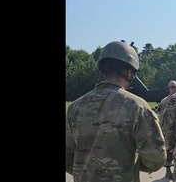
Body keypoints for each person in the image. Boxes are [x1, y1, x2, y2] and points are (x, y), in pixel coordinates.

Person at [66, 40, 166, 182]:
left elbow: (67, 155)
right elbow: (155, 158)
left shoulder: (75, 106)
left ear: (103, 69)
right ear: (129, 71)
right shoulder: (137, 106)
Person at [156, 80, 176, 180]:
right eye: (171, 87)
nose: (172, 89)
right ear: (168, 89)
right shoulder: (164, 101)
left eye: (174, 87)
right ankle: (168, 171)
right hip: (168, 132)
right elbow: (160, 116)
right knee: (168, 152)